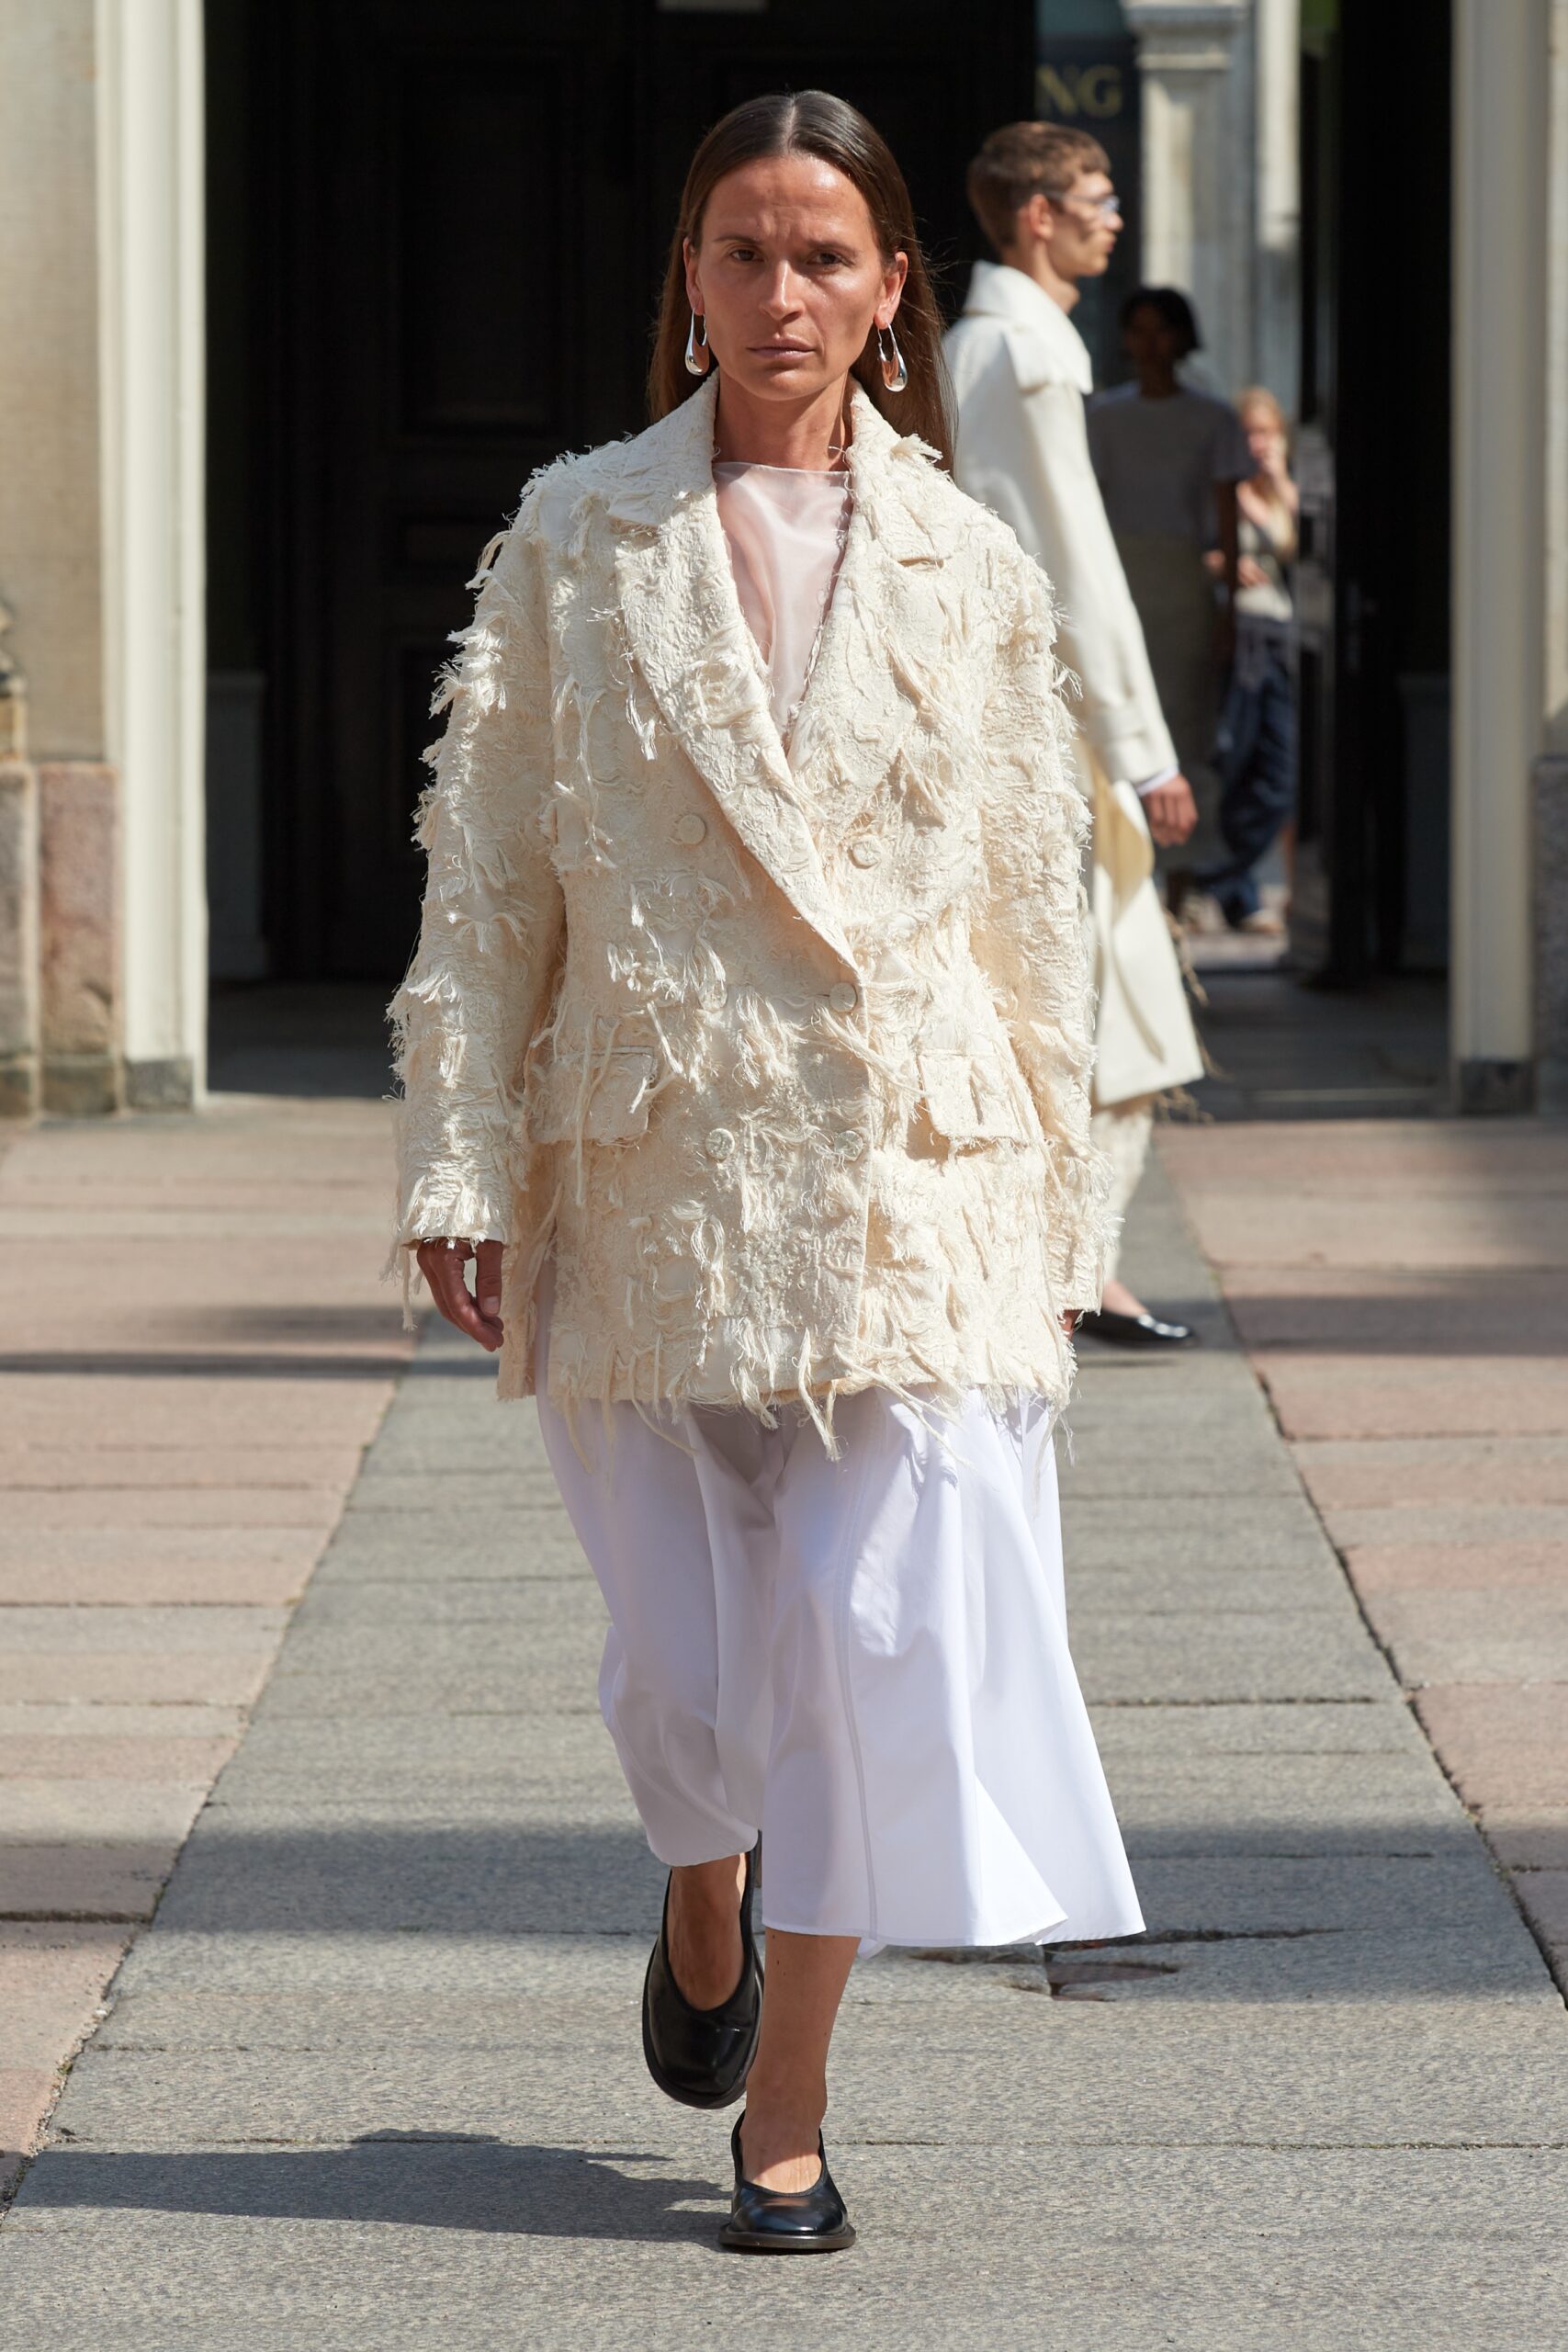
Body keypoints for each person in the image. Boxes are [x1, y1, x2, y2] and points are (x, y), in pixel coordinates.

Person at [389, 90, 1142, 2257]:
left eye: (825, 254)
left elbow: (1024, 897)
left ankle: (784, 2111)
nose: (783, 291)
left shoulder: (966, 563)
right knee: (687, 1681)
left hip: (907, 1182)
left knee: (857, 1635)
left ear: (892, 287)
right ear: (688, 285)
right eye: (744, 250)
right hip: (647, 1169)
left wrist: (1054, 1218)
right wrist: (459, 1150)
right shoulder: (571, 538)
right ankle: (695, 1888)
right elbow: (491, 866)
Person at [944, 122, 1205, 1350]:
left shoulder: (989, 345)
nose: (1113, 217)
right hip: (1049, 727)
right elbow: (1071, 567)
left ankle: (1076, 1266)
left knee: (1087, 991)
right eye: (1095, 198)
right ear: (1035, 216)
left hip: (1019, 714)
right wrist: (1139, 745)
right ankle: (1066, 1267)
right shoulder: (1024, 355)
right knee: (1088, 994)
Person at [1087, 287, 1254, 892]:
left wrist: (1228, 612)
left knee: (1184, 725)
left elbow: (1227, 519)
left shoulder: (1213, 418)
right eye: (1138, 330)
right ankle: (1122, 878)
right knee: (1115, 712)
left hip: (1183, 583)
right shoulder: (1101, 416)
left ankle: (1177, 891)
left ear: (1182, 337)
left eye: (1161, 330)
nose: (1149, 344)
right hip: (1118, 575)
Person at [1190, 385, 1299, 932]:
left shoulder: (1280, 496)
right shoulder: (1223, 494)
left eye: (1267, 433)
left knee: (1279, 775)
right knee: (1231, 762)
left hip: (1282, 641)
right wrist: (1221, 565)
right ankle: (1235, 892)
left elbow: (1307, 547)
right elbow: (1198, 549)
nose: (1257, 444)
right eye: (1249, 433)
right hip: (1239, 637)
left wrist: (1280, 478)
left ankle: (1217, 876)